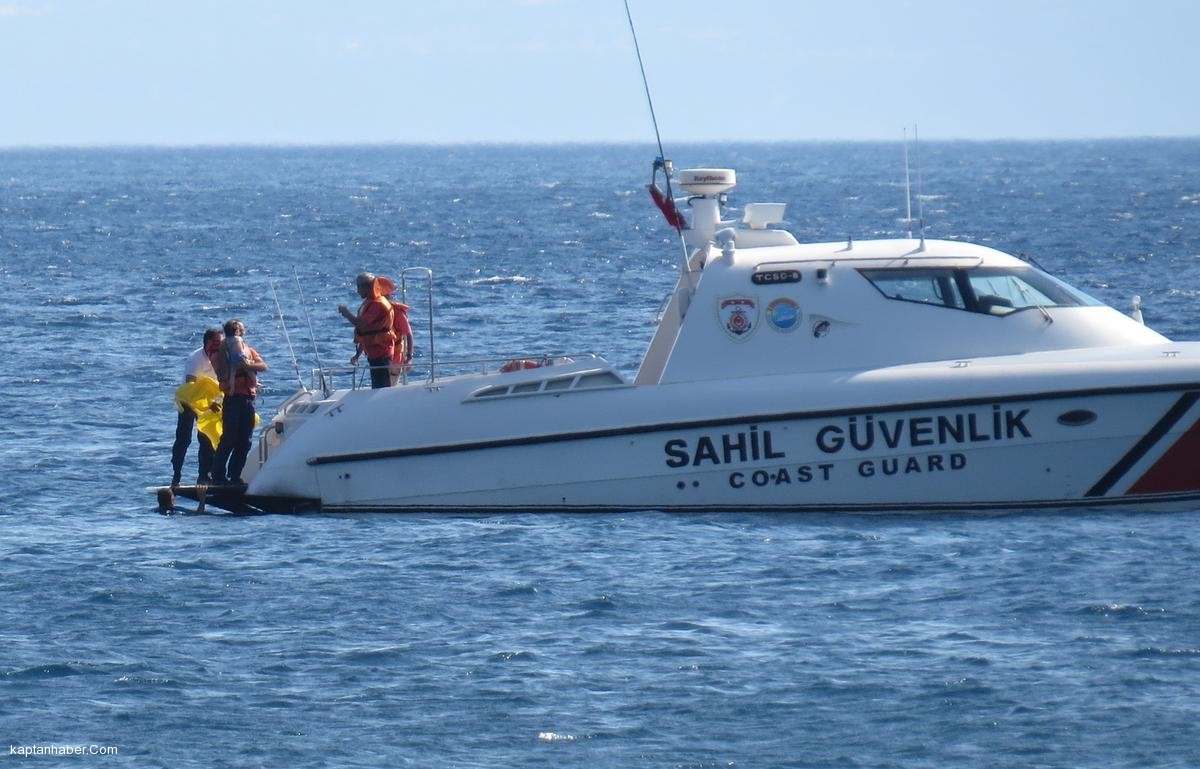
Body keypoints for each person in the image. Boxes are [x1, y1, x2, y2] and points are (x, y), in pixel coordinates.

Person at [210, 319, 268, 486]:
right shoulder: (221, 351)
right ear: (236, 331)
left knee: (245, 440)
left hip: (248, 398)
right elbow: (220, 368)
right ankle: (218, 475)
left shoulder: (248, 349)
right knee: (229, 437)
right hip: (233, 398)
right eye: (241, 330)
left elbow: (263, 366)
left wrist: (247, 364)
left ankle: (235, 475)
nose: (243, 333)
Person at [171, 328, 223, 486]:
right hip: (189, 400)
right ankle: (176, 475)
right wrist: (207, 404)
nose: (217, 347)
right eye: (214, 343)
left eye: (219, 343)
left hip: (212, 402)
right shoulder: (196, 358)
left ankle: (204, 476)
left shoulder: (221, 357)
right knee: (184, 438)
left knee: (207, 437)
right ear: (206, 343)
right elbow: (190, 387)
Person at [338, 271, 395, 389]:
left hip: (382, 353)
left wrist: (346, 313)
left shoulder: (377, 305)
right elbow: (367, 333)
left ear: (366, 287)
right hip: (373, 352)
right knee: (377, 384)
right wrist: (358, 354)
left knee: (382, 387)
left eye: (359, 287)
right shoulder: (370, 303)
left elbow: (361, 324)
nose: (357, 291)